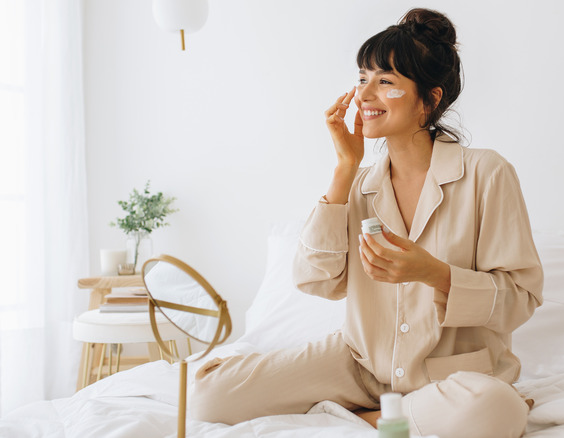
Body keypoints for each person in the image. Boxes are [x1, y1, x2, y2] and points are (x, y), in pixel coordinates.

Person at [190, 8, 543, 438]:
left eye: (386, 81)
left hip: (448, 377)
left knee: (496, 408)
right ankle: (394, 414)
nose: (365, 95)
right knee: (208, 393)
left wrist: (434, 273)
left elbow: (520, 299)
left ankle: (367, 418)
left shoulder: (487, 173)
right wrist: (344, 168)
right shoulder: (359, 185)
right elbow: (315, 280)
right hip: (361, 366)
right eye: (362, 79)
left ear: (429, 100)